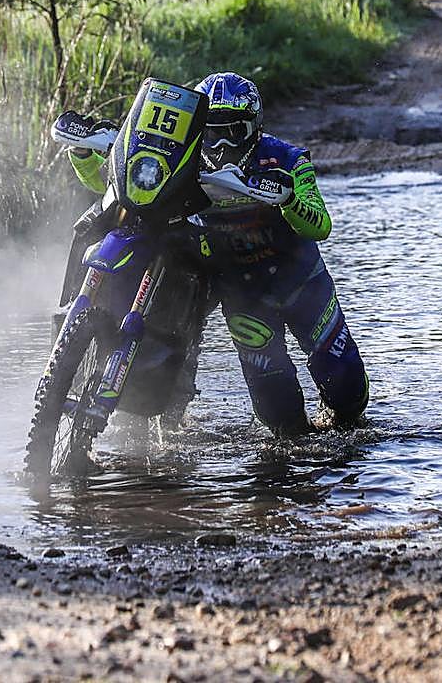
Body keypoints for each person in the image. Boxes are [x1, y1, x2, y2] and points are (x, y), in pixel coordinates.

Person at [66, 72, 370, 437]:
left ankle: (346, 443)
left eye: (233, 132)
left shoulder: (287, 159)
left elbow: (320, 225)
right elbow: (121, 186)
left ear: (254, 128)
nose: (222, 144)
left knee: (346, 388)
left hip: (301, 282)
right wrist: (83, 155)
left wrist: (288, 199)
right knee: (278, 414)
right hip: (240, 292)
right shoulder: (183, 161)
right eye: (211, 132)